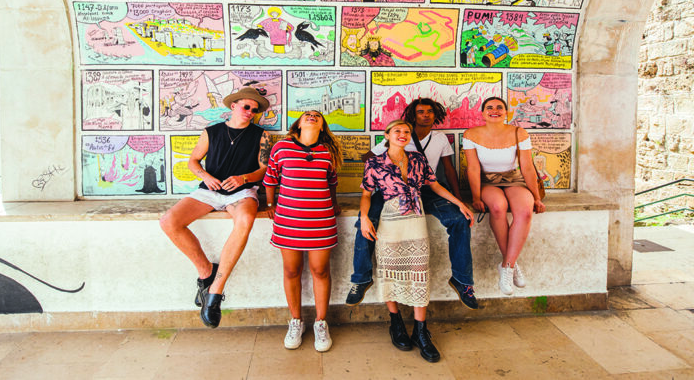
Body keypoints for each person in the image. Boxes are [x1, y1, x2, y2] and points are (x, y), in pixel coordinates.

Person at [347, 98, 477, 309]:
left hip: (424, 188)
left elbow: (448, 169)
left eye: (429, 112)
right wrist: (384, 171)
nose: (425, 115)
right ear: (413, 115)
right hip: (391, 191)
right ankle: (361, 278)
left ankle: (462, 280)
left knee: (459, 219)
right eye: (420, 112)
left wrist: (459, 200)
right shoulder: (398, 134)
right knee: (366, 220)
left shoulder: (439, 138)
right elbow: (369, 158)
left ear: (436, 115)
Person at [359, 120, 472, 363]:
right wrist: (364, 218)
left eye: (406, 132)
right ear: (387, 135)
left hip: (415, 218)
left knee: (419, 271)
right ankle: (396, 322)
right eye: (397, 131)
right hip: (389, 220)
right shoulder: (374, 162)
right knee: (388, 270)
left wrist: (459, 203)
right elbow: (367, 193)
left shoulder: (418, 159)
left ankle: (421, 332)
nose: (402, 134)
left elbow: (435, 185)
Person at [159, 87, 271, 328]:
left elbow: (264, 169)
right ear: (233, 106)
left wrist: (245, 178)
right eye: (246, 107)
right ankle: (206, 271)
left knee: (245, 221)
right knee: (169, 222)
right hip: (210, 190)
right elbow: (193, 161)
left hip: (241, 192)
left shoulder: (261, 135)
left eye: (254, 109)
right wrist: (205, 176)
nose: (250, 112)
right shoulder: (212, 131)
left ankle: (216, 291)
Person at [263, 111, 343, 352]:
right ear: (297, 124)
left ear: (322, 126)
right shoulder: (282, 148)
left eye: (317, 116)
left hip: (321, 220)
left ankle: (321, 323)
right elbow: (270, 179)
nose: (311, 116)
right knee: (291, 270)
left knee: (320, 270)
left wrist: (335, 203)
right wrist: (270, 205)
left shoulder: (327, 151)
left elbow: (331, 183)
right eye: (307, 114)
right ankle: (296, 321)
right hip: (288, 220)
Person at [462, 97, 545, 296]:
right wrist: (475, 197)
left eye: (499, 107)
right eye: (489, 107)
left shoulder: (519, 132)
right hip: (486, 181)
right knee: (498, 207)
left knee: (525, 211)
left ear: (506, 112)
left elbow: (526, 167)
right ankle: (512, 265)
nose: (495, 110)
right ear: (482, 113)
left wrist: (536, 197)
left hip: (513, 179)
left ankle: (507, 266)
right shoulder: (471, 134)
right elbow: (473, 168)